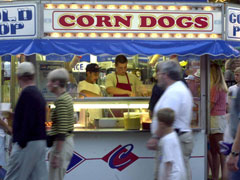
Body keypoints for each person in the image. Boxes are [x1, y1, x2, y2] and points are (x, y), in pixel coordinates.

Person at [147, 60, 193, 180]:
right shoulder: (176, 88)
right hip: (177, 138)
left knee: (172, 173)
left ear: (165, 75)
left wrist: (155, 137)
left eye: (159, 74)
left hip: (176, 138)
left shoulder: (175, 92)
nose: (157, 77)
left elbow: (166, 119)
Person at [4, 62, 47, 180]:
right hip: (39, 142)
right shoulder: (38, 94)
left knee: (14, 176)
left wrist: (19, 143)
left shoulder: (26, 94)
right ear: (33, 76)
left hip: (27, 144)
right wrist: (17, 116)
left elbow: (28, 122)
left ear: (18, 77)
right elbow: (32, 116)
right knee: (38, 177)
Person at [47, 68, 74, 180]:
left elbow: (62, 131)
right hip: (63, 144)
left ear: (57, 83)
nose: (48, 84)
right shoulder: (66, 97)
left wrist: (57, 154)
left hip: (61, 145)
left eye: (50, 81)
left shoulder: (61, 101)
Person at [155, 108, 186, 180]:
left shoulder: (167, 140)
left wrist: (166, 178)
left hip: (173, 176)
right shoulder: (173, 135)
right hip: (178, 174)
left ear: (161, 124)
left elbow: (168, 163)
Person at [209, 63, 228, 180]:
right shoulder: (222, 87)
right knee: (218, 150)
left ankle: (221, 176)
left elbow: (211, 105)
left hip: (214, 119)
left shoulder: (215, 87)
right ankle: (218, 176)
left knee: (218, 151)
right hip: (220, 118)